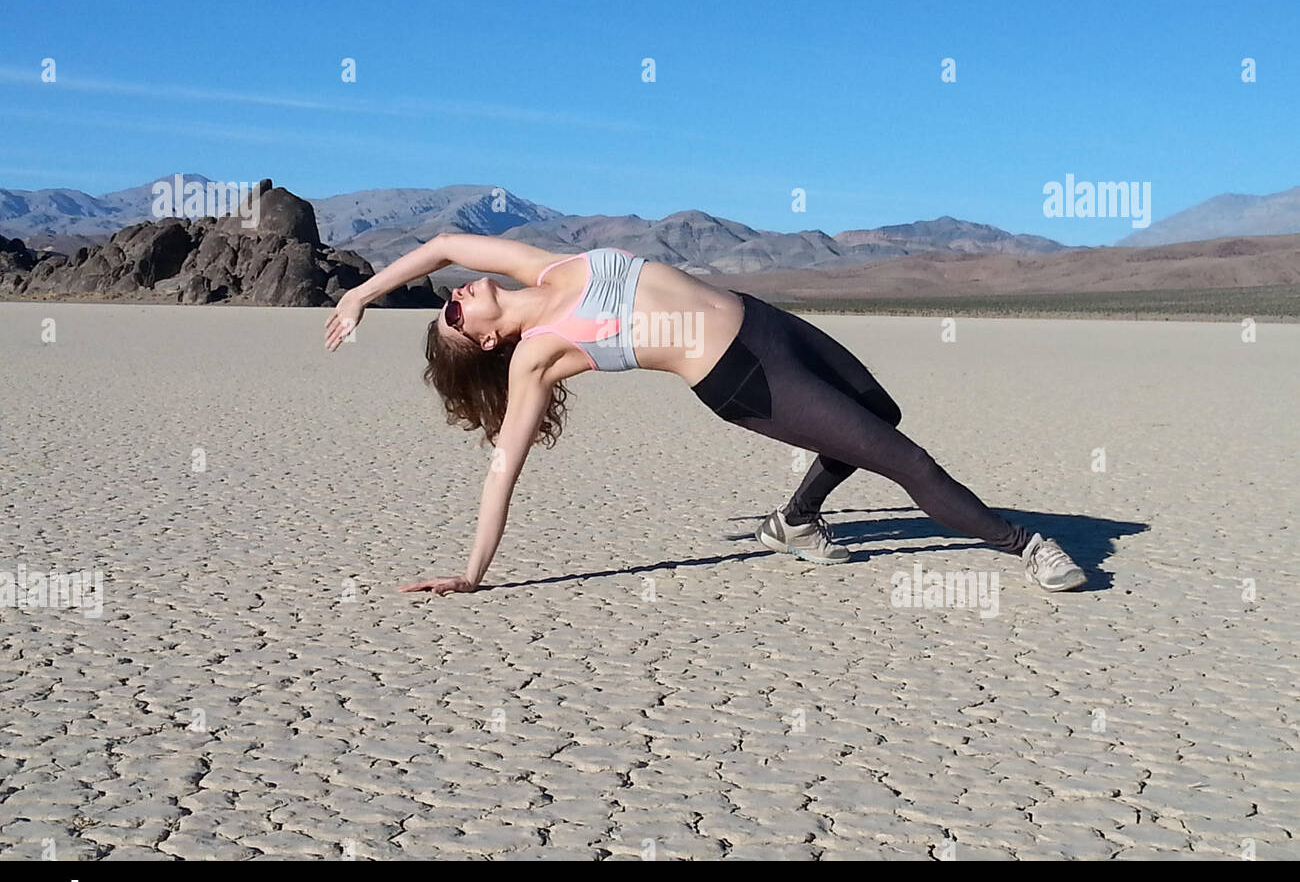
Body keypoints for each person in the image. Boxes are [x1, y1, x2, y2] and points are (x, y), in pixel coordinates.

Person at [325, 234, 1086, 596]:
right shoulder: (535, 357)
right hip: (742, 376)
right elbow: (504, 471)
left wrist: (362, 294)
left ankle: (794, 521)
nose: (457, 294)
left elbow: (440, 244)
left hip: (763, 319)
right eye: (456, 313)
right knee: (904, 459)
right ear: (487, 341)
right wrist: (470, 571)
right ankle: (1027, 547)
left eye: (452, 299)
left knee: (880, 408)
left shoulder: (542, 269)